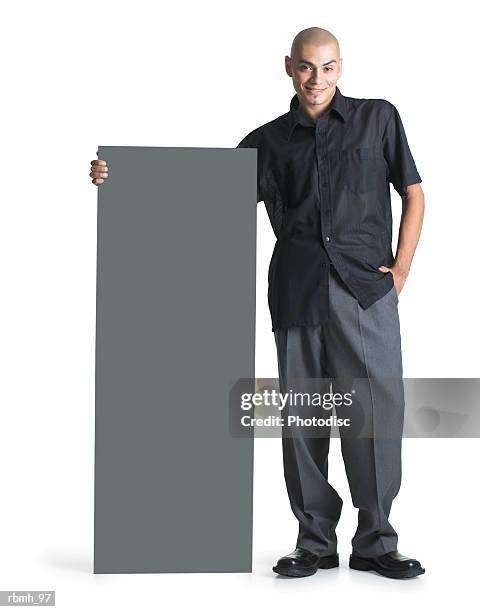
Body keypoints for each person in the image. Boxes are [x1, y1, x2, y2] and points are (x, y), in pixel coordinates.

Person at [89, 26, 426, 580]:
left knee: (374, 417)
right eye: (306, 67)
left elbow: (412, 190)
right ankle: (314, 541)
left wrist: (403, 266)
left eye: (328, 67)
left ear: (340, 68)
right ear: (288, 66)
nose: (317, 79)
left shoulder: (378, 119)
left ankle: (375, 540)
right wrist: (122, 179)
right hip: (296, 293)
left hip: (366, 294)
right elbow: (202, 192)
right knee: (302, 420)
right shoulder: (267, 142)